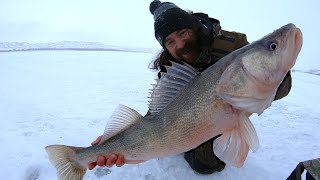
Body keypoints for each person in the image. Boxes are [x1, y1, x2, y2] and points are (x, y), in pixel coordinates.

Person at [88, 0, 292, 174]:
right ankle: (174, 144)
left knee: (205, 164)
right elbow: (161, 108)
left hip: (222, 117)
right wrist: (114, 138)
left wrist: (276, 76)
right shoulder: (170, 66)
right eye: (170, 41)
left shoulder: (233, 44)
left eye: (183, 33)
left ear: (193, 27)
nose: (180, 44)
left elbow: (280, 88)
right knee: (191, 154)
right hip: (184, 123)